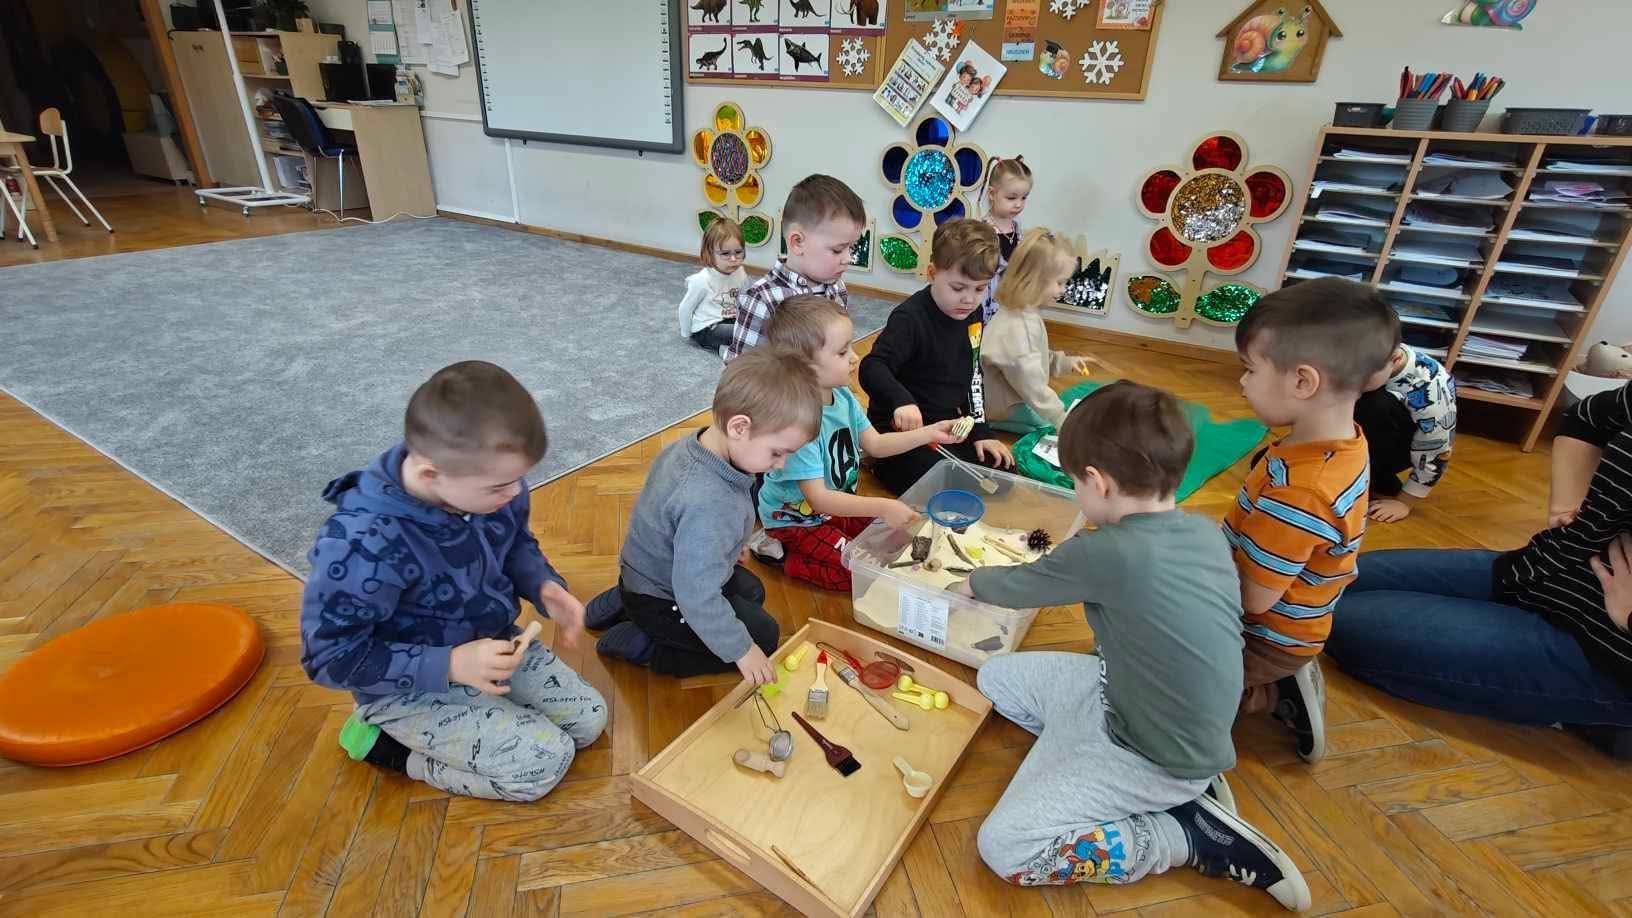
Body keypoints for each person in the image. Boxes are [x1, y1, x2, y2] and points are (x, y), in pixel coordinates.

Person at [953, 382, 1310, 911]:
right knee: (995, 678)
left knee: (1006, 848)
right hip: (1134, 707)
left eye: (1076, 482)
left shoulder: (1105, 553)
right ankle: (1095, 775)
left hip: (1159, 756)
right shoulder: (1203, 531)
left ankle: (1182, 835)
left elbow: (1011, 586)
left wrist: (966, 583)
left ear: (1097, 483)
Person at [299, 361, 606, 802]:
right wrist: (451, 665)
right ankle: (387, 748)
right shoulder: (361, 544)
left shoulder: (486, 484)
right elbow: (329, 657)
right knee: (543, 762)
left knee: (589, 721)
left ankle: (481, 716)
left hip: (490, 645)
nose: (515, 494)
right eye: (500, 486)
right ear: (431, 475)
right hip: (403, 688)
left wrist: (543, 585)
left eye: (519, 479)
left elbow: (514, 542)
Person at [1328, 382, 1632, 758]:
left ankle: (1599, 717)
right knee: (1338, 580)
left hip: (1600, 645)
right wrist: (1567, 509)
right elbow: (1586, 418)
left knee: (1342, 622)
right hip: (1541, 568)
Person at [1225, 278, 1398, 762]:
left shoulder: (1303, 492)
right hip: (1289, 615)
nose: (1242, 382)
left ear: (1303, 382)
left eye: (1250, 369)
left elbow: (1252, 600)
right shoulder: (1339, 440)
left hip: (1265, 636)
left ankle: (1266, 694)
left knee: (1160, 673)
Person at [584, 349, 822, 684]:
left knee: (752, 591)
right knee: (764, 637)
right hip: (665, 596)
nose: (781, 464)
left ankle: (627, 600)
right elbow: (695, 594)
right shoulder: (710, 502)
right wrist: (742, 649)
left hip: (645, 571)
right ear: (739, 427)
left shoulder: (695, 445)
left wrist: (731, 544)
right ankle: (645, 645)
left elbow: (674, 522)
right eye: (777, 453)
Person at [758, 294, 966, 590]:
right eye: (843, 352)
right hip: (796, 523)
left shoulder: (842, 396)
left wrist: (929, 433)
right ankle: (783, 556)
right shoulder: (796, 425)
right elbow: (819, 499)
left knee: (895, 539)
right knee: (860, 573)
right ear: (805, 367)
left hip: (833, 509)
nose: (855, 357)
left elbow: (876, 444)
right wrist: (883, 506)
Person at [859, 218, 1016, 496]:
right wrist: (901, 401)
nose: (969, 299)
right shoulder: (910, 318)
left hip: (944, 425)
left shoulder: (974, 314)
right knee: (932, 481)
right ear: (932, 273)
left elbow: (974, 374)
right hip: (900, 431)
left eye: (980, 289)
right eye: (958, 288)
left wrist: (981, 430)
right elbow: (872, 366)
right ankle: (878, 463)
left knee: (1002, 472)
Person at [726, 173, 865, 361]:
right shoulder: (762, 299)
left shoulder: (837, 288)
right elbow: (741, 370)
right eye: (838, 250)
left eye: (852, 247)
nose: (848, 258)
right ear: (797, 242)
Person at [981, 227, 1106, 434]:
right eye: (1060, 282)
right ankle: (989, 421)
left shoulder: (1022, 312)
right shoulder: (1018, 327)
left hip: (1008, 393)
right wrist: (1060, 418)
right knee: (1047, 422)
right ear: (1034, 279)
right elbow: (1032, 385)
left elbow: (1033, 357)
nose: (1063, 290)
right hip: (1000, 405)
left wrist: (1063, 362)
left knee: (1049, 411)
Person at [1355, 339, 1457, 523]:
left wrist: (1404, 502)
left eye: (1358, 375)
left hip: (1401, 444)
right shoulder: (1366, 355)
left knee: (1374, 403)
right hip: (1362, 436)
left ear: (1395, 358)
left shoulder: (1430, 388)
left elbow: (1437, 451)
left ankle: (1377, 475)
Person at [678, 217, 748, 360]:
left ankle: (736, 346)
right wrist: (686, 333)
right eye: (725, 254)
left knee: (753, 328)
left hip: (729, 319)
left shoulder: (740, 272)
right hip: (707, 327)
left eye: (738, 252)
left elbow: (744, 298)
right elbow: (685, 308)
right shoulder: (702, 280)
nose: (733, 259)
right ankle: (724, 350)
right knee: (739, 332)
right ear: (709, 253)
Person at [979, 155, 1033, 322]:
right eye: (1011, 198)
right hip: (988, 301)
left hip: (1011, 299)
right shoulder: (983, 230)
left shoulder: (1016, 226)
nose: (1018, 204)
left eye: (1024, 198)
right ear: (992, 193)